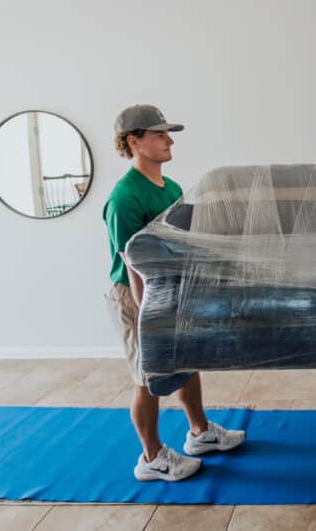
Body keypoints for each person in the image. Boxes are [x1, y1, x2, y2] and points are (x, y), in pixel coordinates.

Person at [104, 104, 245, 481]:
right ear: (134, 141)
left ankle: (200, 433)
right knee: (148, 376)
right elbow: (131, 262)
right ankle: (151, 458)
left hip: (170, 287)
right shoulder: (124, 199)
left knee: (185, 360)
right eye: (159, 134)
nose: (169, 141)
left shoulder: (173, 188)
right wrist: (148, 311)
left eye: (169, 134)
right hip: (135, 295)